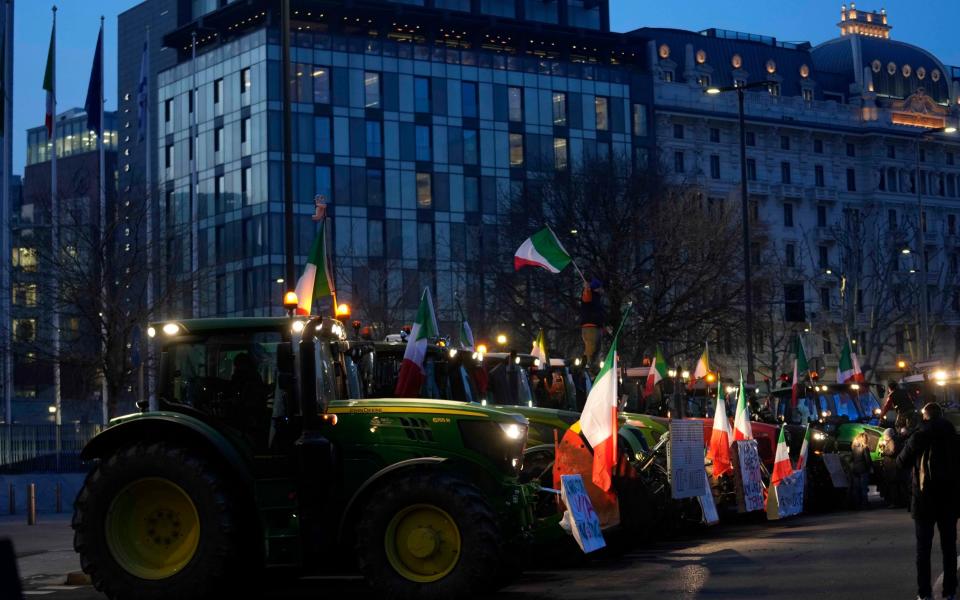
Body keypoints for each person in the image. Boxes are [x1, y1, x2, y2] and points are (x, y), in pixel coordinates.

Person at [897, 402, 959, 600]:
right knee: (949, 548)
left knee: (923, 550)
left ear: (925, 416)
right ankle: (949, 591)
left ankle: (924, 593)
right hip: (949, 500)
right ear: (941, 415)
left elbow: (901, 462)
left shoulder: (920, 435)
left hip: (924, 500)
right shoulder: (953, 436)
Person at [580, 278, 607, 367]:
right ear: (597, 288)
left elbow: (600, 314)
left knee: (596, 349)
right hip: (590, 327)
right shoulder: (590, 295)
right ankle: (586, 367)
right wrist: (587, 289)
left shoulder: (597, 299)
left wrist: (603, 326)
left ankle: (591, 366)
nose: (602, 289)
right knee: (591, 348)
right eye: (601, 287)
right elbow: (586, 297)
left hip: (596, 327)